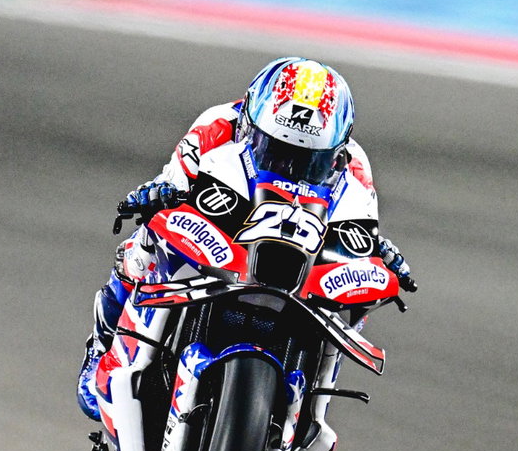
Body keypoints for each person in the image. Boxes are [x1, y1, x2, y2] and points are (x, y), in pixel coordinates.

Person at [77, 56, 417, 421]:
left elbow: (360, 226)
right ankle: (106, 345)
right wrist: (156, 193)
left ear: (335, 155)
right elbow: (173, 182)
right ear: (248, 128)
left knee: (353, 302)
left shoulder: (354, 164)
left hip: (300, 246)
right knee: (143, 243)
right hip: (229, 229)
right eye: (276, 151)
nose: (288, 167)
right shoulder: (216, 125)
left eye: (307, 161)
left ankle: (312, 412)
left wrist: (378, 251)